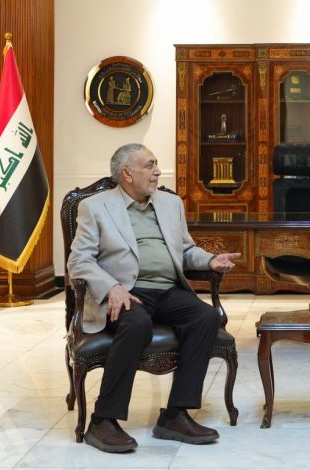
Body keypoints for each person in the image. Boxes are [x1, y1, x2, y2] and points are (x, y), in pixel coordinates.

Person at [67, 143, 241, 453]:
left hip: (168, 291)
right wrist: (111, 287)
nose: (158, 171)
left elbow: (185, 250)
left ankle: (175, 416)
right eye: (149, 165)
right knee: (137, 324)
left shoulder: (171, 203)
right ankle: (102, 420)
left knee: (205, 317)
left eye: (156, 164)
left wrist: (210, 260)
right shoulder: (95, 207)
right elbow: (79, 261)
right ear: (127, 173)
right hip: (126, 292)